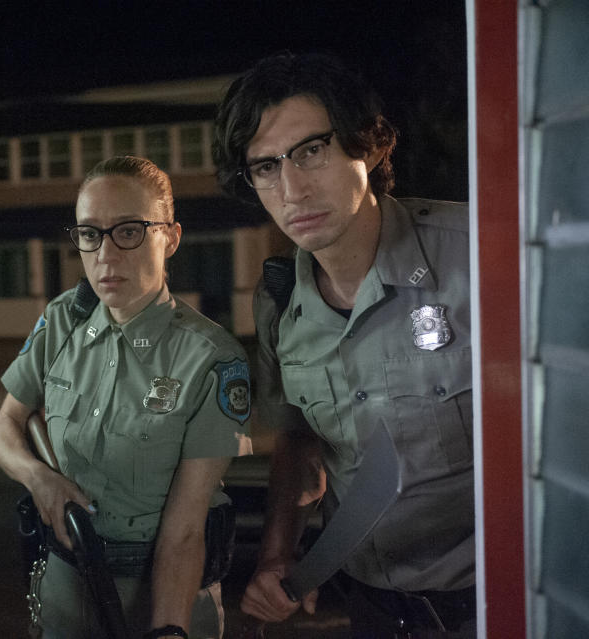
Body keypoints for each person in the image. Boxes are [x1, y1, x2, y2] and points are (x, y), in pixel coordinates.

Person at [213, 51, 475, 637]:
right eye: (265, 166)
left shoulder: (479, 257)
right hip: (375, 611)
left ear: (374, 144)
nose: (293, 189)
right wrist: (278, 552)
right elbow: (300, 433)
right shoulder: (281, 302)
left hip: (500, 604)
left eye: (312, 150)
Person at [0, 156, 253, 639]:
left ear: (169, 238)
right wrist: (38, 478)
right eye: (90, 234)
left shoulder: (210, 358)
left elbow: (187, 527)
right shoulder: (63, 321)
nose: (105, 255)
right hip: (67, 588)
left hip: (162, 593)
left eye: (128, 231)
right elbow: (5, 425)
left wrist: (167, 630)